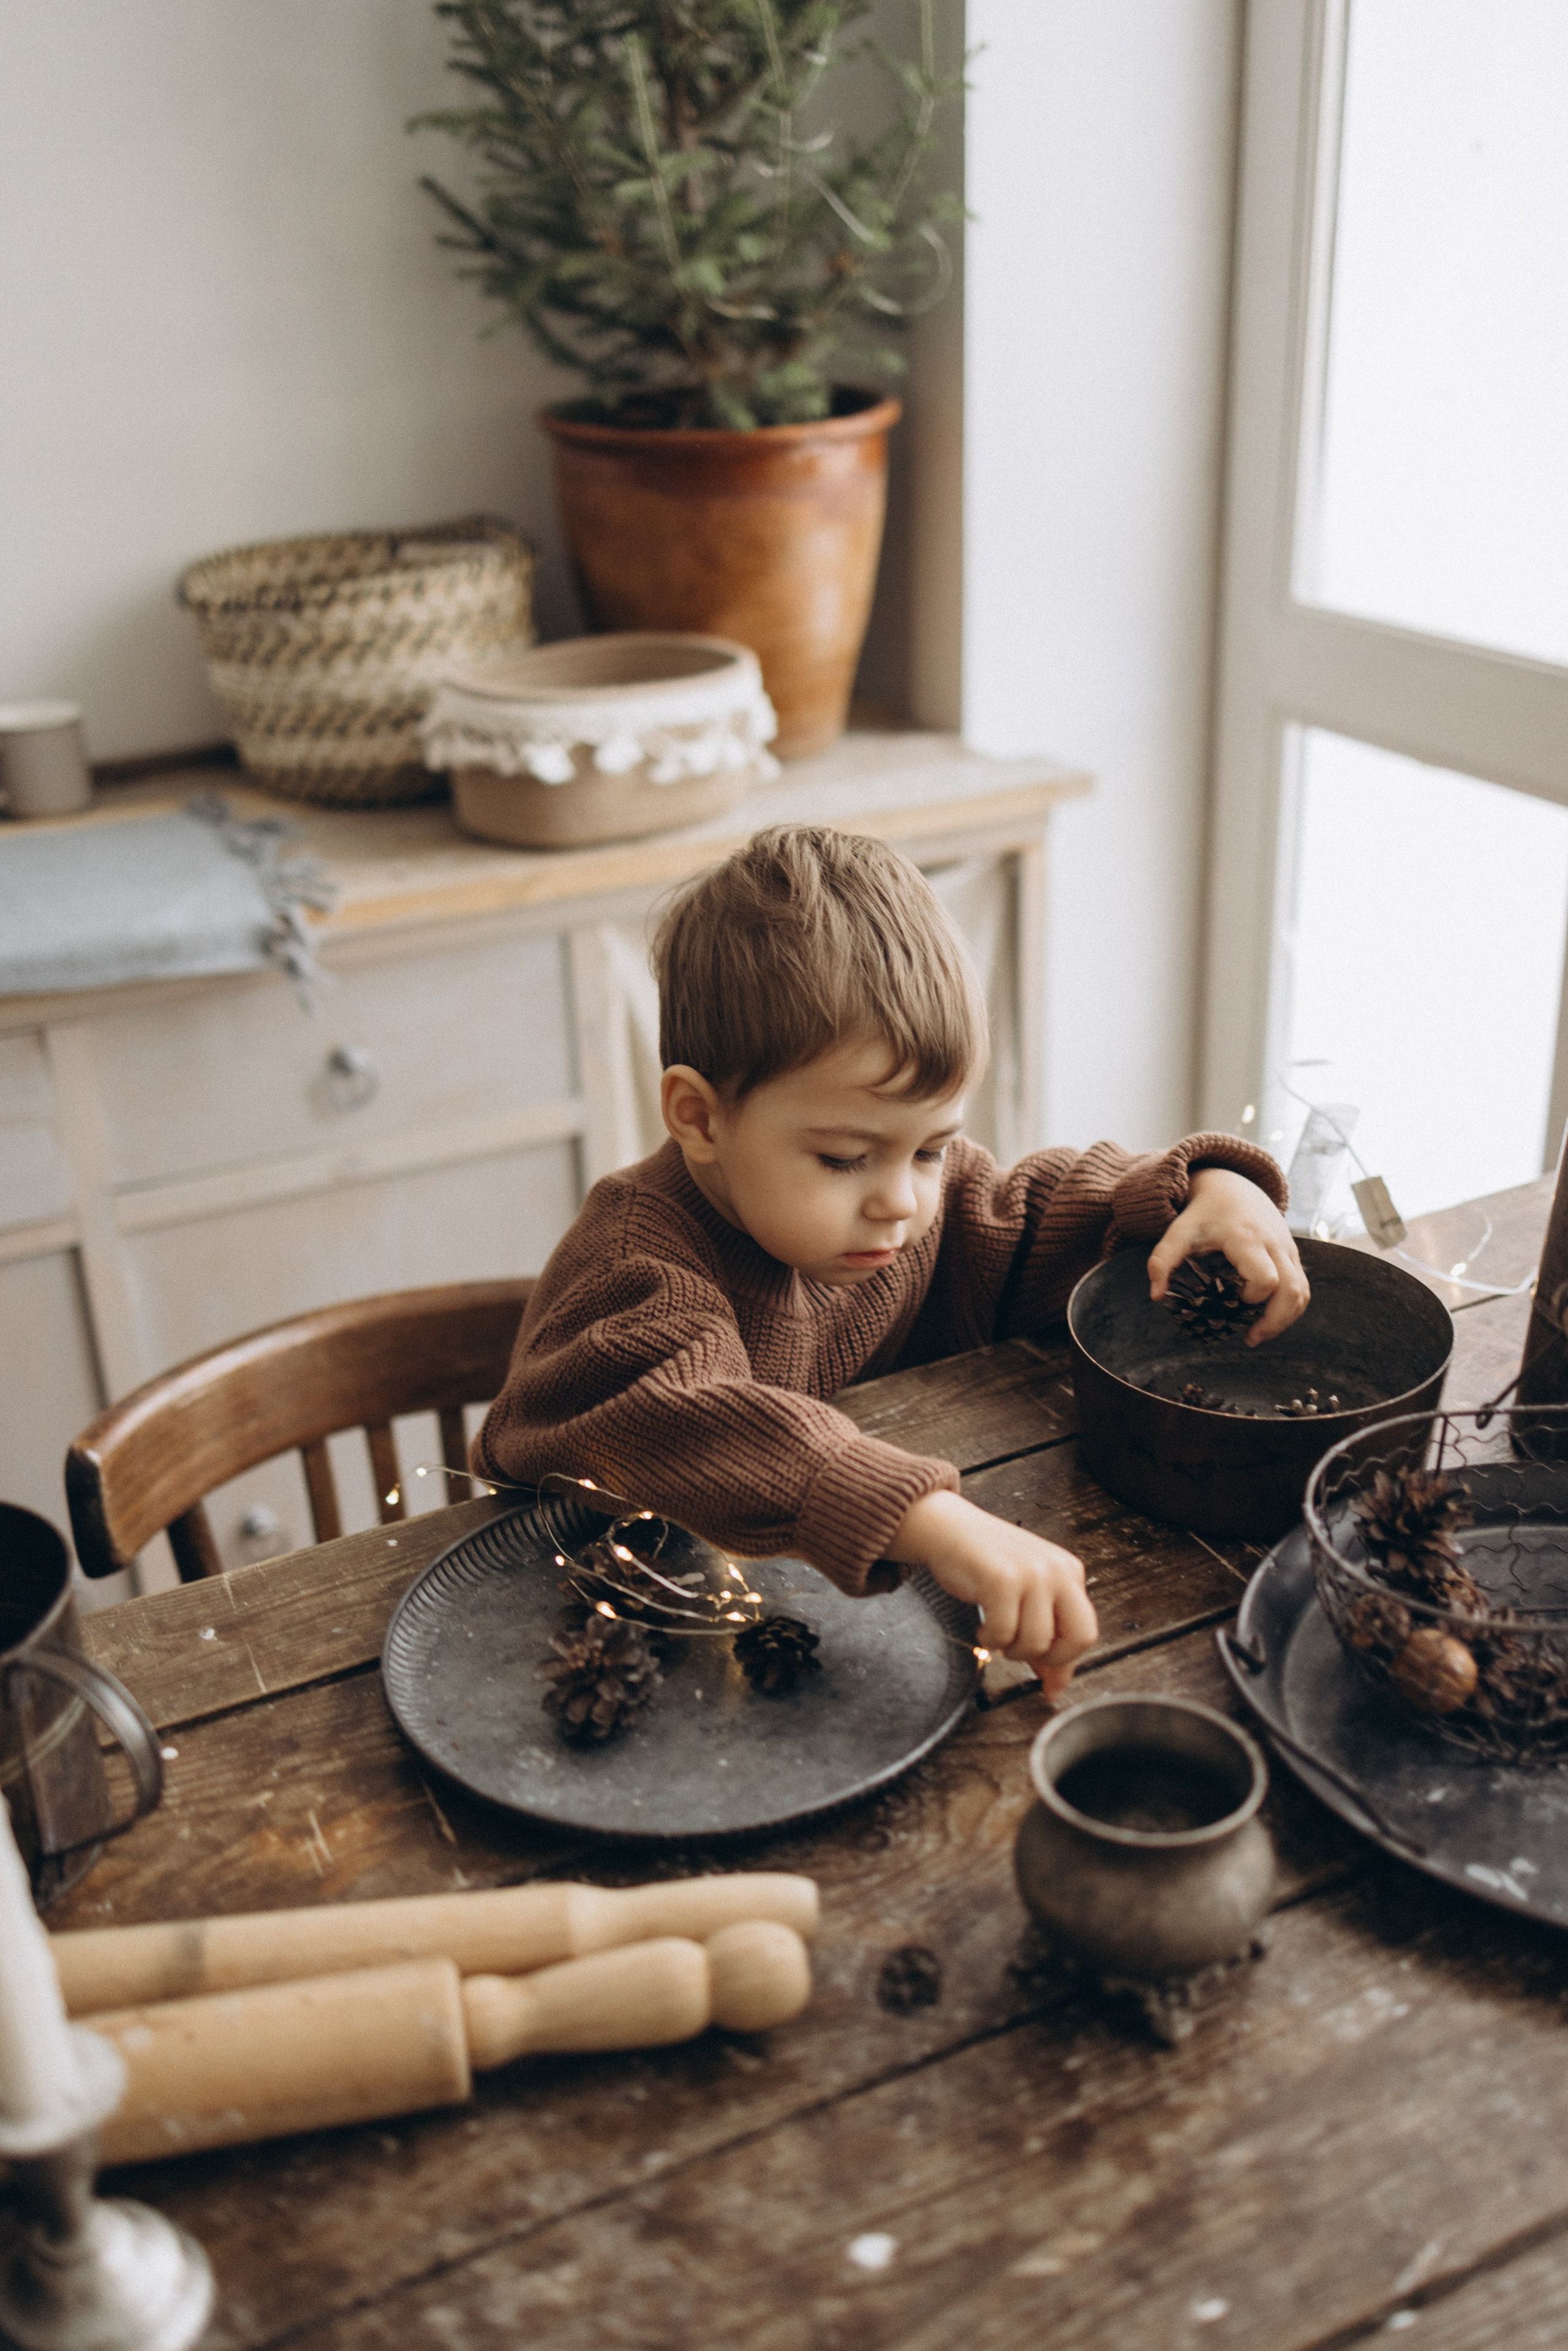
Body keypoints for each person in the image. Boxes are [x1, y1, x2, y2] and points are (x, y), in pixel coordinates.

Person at [475, 826, 1305, 1696]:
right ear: (700, 1117)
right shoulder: (632, 1262)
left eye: (931, 1149)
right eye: (843, 1158)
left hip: (786, 1619)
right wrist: (926, 1516)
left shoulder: (907, 1216)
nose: (902, 1202)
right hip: (571, 1641)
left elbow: (1037, 1214)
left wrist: (1203, 1190)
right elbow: (681, 1414)